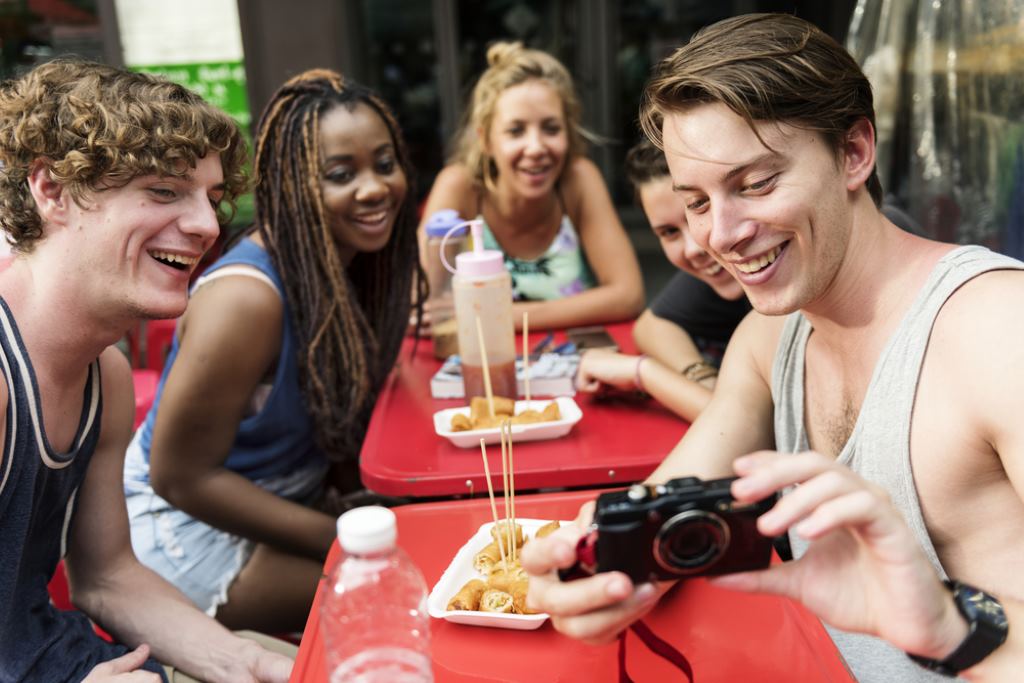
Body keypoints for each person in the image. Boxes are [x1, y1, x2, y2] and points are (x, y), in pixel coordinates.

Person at [523, 13, 1024, 682]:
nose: (719, 236)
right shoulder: (769, 335)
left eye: (754, 183)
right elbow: (668, 500)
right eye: (695, 202)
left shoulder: (996, 329)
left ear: (853, 153)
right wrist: (589, 563)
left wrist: (948, 626)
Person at [0, 60, 292, 681]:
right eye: (164, 191)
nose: (208, 226)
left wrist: (246, 662)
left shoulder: (104, 371)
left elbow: (106, 577)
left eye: (213, 199)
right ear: (51, 190)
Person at [122, 69, 423, 635]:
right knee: (399, 600)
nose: (375, 187)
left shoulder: (354, 264)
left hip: (286, 502)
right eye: (341, 173)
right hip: (187, 526)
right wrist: (341, 532)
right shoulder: (245, 301)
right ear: (292, 184)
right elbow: (180, 478)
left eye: (385, 163)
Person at [418, 41, 644, 331]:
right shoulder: (460, 186)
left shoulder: (578, 180)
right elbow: (423, 300)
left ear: (568, 132)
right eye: (516, 131)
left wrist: (498, 317)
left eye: (551, 128)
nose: (536, 147)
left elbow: (628, 294)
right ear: (486, 140)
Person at [575, 139, 750, 421]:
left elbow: (745, 427)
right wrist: (702, 378)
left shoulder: (781, 288)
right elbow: (651, 326)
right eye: (669, 232)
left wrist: (643, 373)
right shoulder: (726, 274)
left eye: (699, 209)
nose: (693, 248)